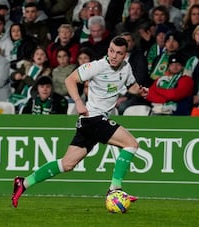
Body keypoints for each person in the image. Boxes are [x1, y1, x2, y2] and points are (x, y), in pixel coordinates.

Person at [11, 36, 149, 208]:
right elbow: (70, 79)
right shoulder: (97, 67)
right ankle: (115, 188)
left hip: (91, 122)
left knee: (66, 163)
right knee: (131, 144)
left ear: (124, 55)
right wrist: (78, 102)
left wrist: (140, 90)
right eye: (111, 51)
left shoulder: (126, 68)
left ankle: (23, 183)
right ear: (108, 50)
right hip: (93, 118)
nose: (114, 56)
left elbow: (131, 86)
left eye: (119, 53)